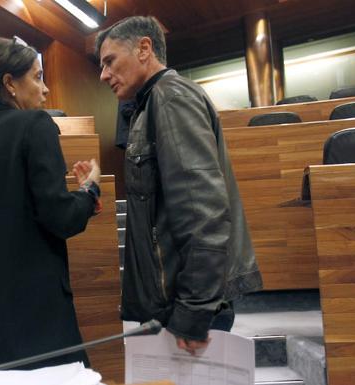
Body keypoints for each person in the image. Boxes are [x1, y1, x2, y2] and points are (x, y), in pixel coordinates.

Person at [95, 16, 263, 354]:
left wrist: (194, 307)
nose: (103, 75)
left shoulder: (170, 98)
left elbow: (204, 211)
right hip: (173, 299)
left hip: (188, 303)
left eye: (110, 61)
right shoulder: (150, 103)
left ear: (144, 48)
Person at [0, 37, 102, 372]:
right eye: (36, 77)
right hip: (33, 323)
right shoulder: (35, 125)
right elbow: (60, 217)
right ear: (10, 84)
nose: (45, 89)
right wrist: (90, 191)